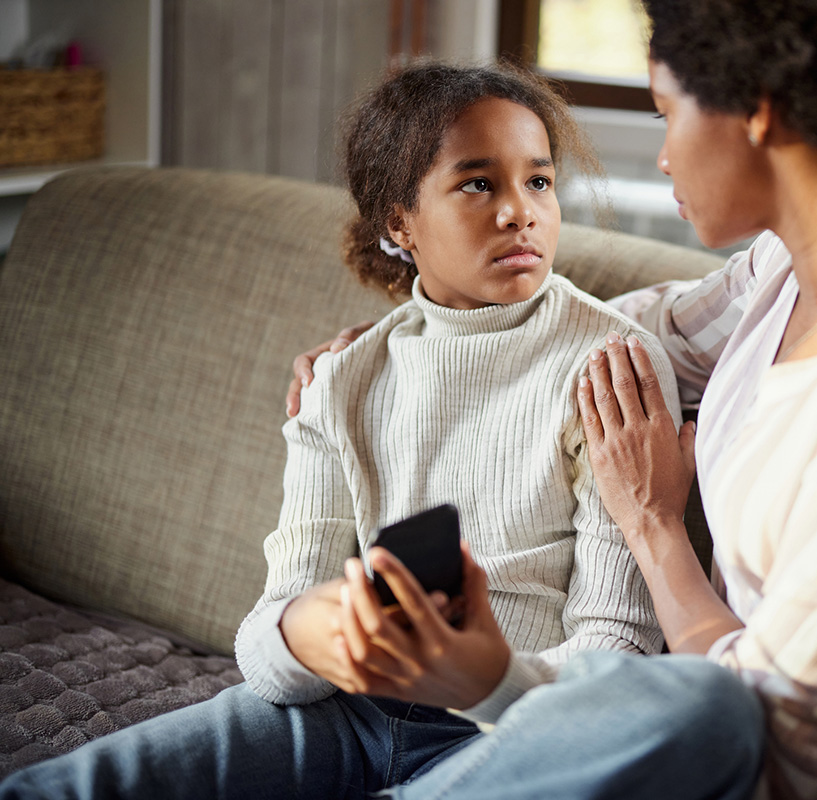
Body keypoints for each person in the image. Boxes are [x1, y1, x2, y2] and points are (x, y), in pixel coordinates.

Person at [291, 2, 817, 799]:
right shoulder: (803, 265)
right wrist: (422, 335)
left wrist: (653, 529)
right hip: (760, 727)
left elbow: (764, 728)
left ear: (755, 109)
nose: (662, 157)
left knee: (689, 711)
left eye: (665, 112)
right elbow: (623, 334)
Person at [0, 61, 764, 800]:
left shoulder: (610, 367)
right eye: (477, 182)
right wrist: (310, 631)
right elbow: (266, 649)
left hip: (510, 725)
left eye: (538, 181)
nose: (520, 211)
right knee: (74, 785)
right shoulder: (343, 379)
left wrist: (480, 675)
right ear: (400, 220)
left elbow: (616, 650)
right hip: (347, 710)